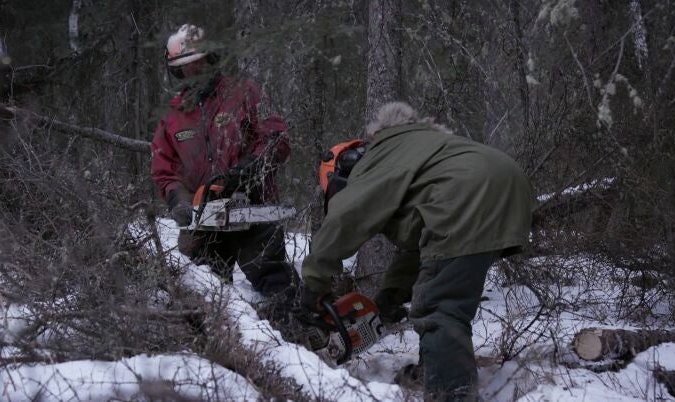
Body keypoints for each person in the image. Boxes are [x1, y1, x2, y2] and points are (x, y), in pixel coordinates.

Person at [300, 102, 535, 401]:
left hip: (467, 192)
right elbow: (422, 253)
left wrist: (313, 283)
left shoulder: (377, 157)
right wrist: (391, 295)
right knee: (439, 287)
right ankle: (435, 371)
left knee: (439, 306)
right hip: (509, 185)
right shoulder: (415, 146)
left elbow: (344, 217)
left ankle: (451, 394)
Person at [151, 24, 298, 300]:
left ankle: (297, 335)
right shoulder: (172, 116)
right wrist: (178, 200)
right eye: (186, 66)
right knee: (203, 293)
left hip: (252, 206)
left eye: (198, 62)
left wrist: (249, 168)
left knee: (275, 283)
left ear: (211, 58)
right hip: (205, 218)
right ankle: (215, 342)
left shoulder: (244, 93)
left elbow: (276, 137)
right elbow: (163, 169)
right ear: (176, 71)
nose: (193, 71)